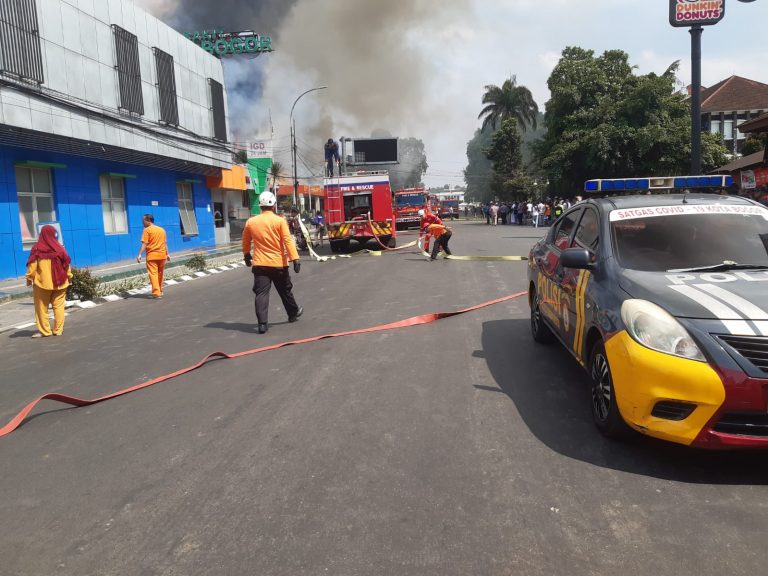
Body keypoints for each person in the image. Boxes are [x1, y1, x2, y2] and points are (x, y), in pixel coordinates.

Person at [243, 191, 303, 334]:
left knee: (261, 293)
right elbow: (287, 240)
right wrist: (295, 258)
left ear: (260, 206)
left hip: (260, 264)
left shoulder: (251, 222)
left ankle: (262, 324)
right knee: (285, 290)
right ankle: (293, 313)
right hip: (278, 264)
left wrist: (246, 255)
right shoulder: (279, 221)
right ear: (274, 205)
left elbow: (246, 241)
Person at [25, 225, 72, 338]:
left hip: (42, 284)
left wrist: (29, 278)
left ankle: (45, 331)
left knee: (41, 308)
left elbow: (33, 267)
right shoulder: (60, 248)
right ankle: (58, 330)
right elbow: (67, 265)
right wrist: (69, 277)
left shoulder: (37, 248)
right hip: (60, 283)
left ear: (42, 235)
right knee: (59, 307)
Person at [136, 214, 170, 299]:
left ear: (148, 221)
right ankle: (160, 290)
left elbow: (144, 243)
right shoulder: (161, 230)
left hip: (152, 256)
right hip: (162, 255)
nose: (142, 222)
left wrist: (140, 254)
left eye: (143, 220)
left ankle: (156, 293)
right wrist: (168, 254)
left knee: (153, 274)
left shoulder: (147, 230)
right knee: (160, 273)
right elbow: (165, 243)